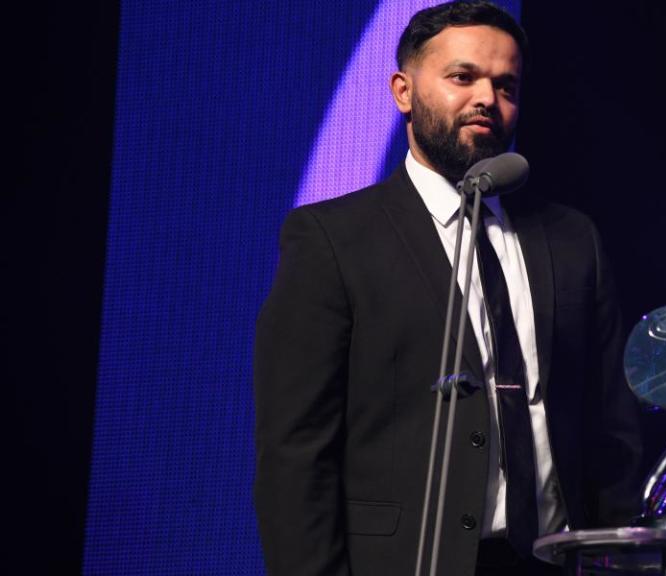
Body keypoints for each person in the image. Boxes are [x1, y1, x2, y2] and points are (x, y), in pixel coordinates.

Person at [254, 2, 644, 575]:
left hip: (555, 561)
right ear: (403, 91)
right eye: (463, 77)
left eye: (505, 85)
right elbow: (295, 456)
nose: (487, 98)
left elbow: (611, 433)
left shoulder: (571, 239)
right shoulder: (333, 239)